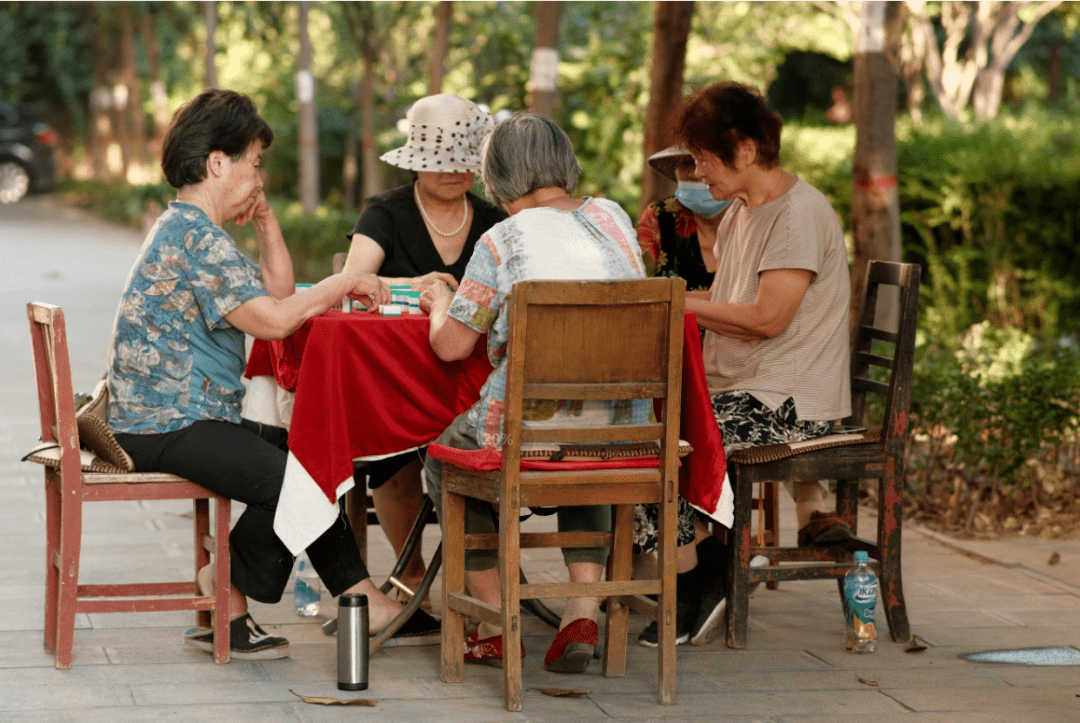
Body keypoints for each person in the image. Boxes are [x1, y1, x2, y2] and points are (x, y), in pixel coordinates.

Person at [106, 88, 439, 660]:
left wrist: (265, 222)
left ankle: (348, 598)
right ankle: (229, 592)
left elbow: (279, 295)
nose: (259, 176)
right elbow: (277, 322)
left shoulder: (192, 229)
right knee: (296, 478)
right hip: (164, 424)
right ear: (219, 163)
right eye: (254, 163)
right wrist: (343, 283)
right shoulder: (196, 239)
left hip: (176, 416)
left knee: (305, 451)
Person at [419, 112, 649, 674]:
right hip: (623, 435)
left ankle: (496, 623)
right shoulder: (615, 218)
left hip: (524, 432)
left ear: (496, 175)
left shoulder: (502, 240)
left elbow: (451, 347)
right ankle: (582, 607)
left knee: (443, 462)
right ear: (564, 164)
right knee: (587, 448)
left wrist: (437, 304)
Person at [647, 80, 854, 648]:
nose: (698, 173)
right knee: (645, 428)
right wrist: (671, 300)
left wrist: (668, 300)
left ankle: (703, 579)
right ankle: (698, 575)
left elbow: (766, 318)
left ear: (743, 149)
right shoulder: (743, 212)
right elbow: (723, 302)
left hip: (790, 404)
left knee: (665, 443)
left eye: (705, 159)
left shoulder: (798, 215)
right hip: (747, 388)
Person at [340, 94, 507, 596]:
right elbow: (350, 283)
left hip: (477, 381)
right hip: (396, 377)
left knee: (489, 439)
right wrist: (419, 285)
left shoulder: (495, 219)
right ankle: (411, 573)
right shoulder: (385, 212)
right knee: (389, 451)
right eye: (442, 162)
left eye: (464, 162)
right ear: (417, 163)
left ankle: (483, 581)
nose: (453, 172)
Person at [637, 144, 732, 293]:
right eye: (687, 163)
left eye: (707, 162)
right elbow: (641, 288)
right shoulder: (659, 217)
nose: (696, 173)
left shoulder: (755, 217)